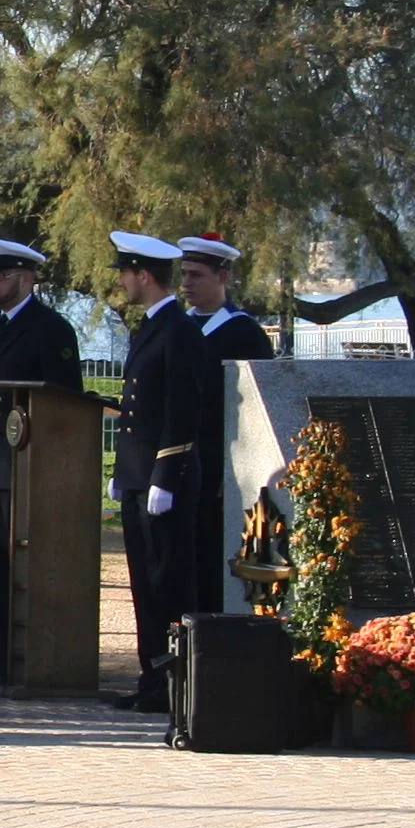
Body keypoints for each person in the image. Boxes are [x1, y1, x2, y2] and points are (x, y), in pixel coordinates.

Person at [0, 238, 86, 688]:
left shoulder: (50, 327)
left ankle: (35, 653)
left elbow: (67, 399)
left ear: (26, 278)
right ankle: (0, 653)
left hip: (32, 463)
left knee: (27, 563)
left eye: (0, 275)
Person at [106, 230, 196, 712]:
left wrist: (165, 474)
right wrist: (125, 470)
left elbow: (181, 409)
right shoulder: (150, 327)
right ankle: (151, 677)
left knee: (165, 584)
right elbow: (136, 409)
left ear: (143, 274)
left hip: (165, 480)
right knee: (144, 583)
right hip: (140, 476)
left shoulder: (178, 330)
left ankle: (170, 683)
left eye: (124, 273)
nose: (121, 281)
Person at [171, 233, 276, 637]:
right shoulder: (177, 327)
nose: (187, 284)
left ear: (222, 275)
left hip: (219, 465)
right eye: (184, 274)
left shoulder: (242, 333)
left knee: (211, 558)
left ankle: (212, 641)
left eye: (197, 275)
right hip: (176, 460)